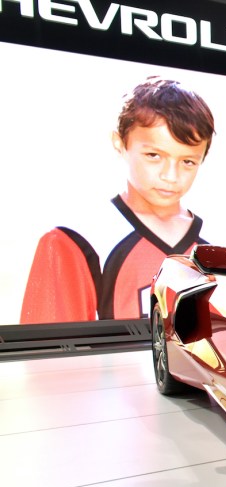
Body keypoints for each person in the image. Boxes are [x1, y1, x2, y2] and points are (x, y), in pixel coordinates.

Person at [20, 77, 215, 323]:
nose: (170, 176)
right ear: (120, 143)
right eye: (154, 155)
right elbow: (48, 357)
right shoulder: (76, 241)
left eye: (188, 161)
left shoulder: (221, 247)